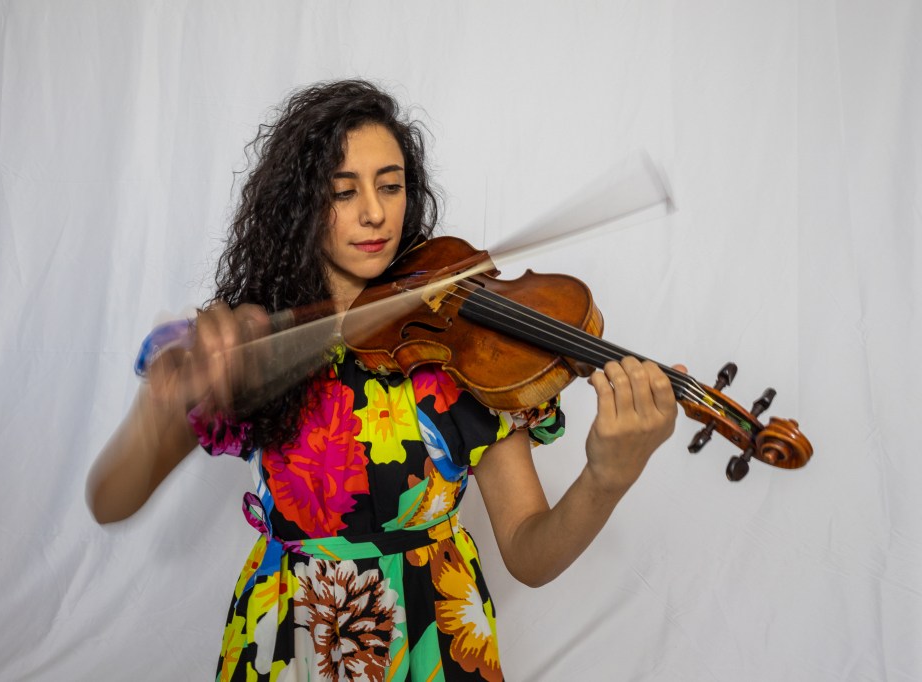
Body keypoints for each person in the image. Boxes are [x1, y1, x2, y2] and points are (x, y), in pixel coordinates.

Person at [87, 79, 681, 682]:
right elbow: (111, 500)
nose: (375, 212)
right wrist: (157, 412)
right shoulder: (258, 342)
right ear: (297, 207)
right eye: (343, 192)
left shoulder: (464, 354)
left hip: (432, 642)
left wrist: (606, 478)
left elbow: (530, 553)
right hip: (291, 642)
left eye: (391, 186)